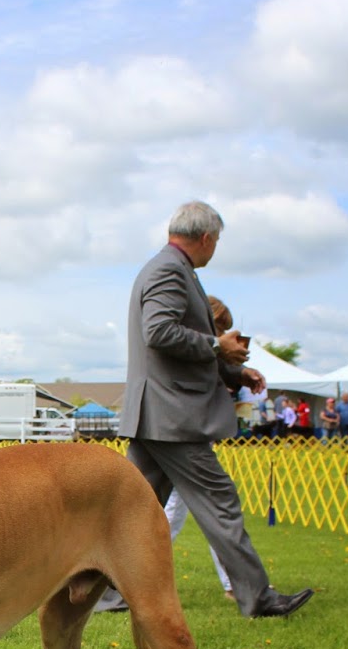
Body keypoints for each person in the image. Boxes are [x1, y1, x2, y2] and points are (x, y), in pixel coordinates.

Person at [117, 199, 313, 619]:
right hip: (173, 417)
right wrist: (215, 344)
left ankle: (106, 595)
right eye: (217, 241)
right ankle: (258, 598)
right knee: (219, 502)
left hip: (158, 414)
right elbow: (160, 332)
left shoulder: (169, 268)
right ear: (206, 238)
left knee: (131, 514)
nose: (216, 248)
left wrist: (235, 374)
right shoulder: (169, 271)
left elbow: (169, 345)